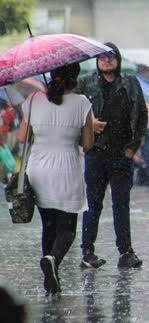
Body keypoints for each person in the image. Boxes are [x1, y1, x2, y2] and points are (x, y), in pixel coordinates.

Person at [17, 63, 94, 294]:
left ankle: (50, 278)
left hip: (38, 170)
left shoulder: (33, 100)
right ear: (75, 78)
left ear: (52, 75)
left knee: (48, 226)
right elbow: (87, 144)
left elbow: (23, 137)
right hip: (66, 171)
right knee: (67, 229)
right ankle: (52, 259)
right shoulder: (82, 103)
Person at [76, 43, 148, 269]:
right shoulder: (86, 83)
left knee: (121, 203)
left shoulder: (130, 83)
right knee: (93, 203)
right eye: (101, 57)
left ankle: (125, 251)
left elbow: (142, 115)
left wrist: (132, 147)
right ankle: (87, 251)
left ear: (118, 59)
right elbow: (72, 113)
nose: (106, 60)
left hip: (121, 153)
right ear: (96, 61)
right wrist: (89, 125)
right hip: (95, 152)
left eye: (110, 56)